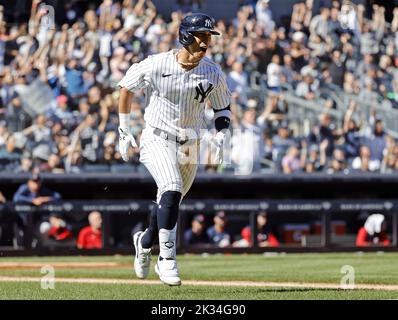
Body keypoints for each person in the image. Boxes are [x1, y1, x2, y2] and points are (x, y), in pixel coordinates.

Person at [117, 13, 231, 286]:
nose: (206, 43)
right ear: (185, 36)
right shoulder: (156, 64)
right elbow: (126, 87)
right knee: (171, 186)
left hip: (191, 142)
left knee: (170, 201)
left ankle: (144, 241)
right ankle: (166, 259)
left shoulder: (212, 71)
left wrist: (223, 132)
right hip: (157, 137)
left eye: (208, 37)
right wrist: (123, 129)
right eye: (201, 36)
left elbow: (222, 106)